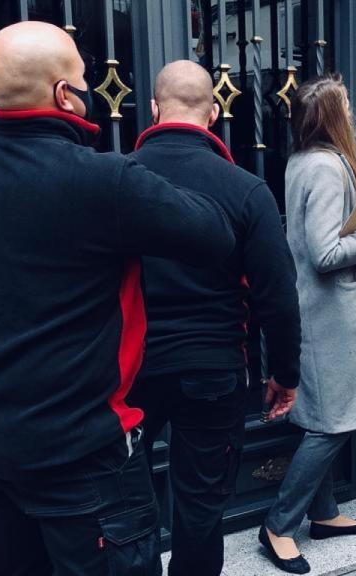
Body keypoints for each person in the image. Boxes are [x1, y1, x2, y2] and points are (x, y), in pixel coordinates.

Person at [0, 23, 236, 576]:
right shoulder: (106, 181)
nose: (92, 87)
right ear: (64, 95)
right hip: (85, 460)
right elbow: (215, 233)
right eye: (84, 77)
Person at [124, 60, 301, 576]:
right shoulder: (246, 189)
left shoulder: (114, 180)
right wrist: (285, 374)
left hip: (131, 368)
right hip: (213, 368)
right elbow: (277, 295)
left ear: (153, 109)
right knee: (201, 508)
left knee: (126, 504)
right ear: (216, 111)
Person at [258, 74, 356, 574]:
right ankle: (278, 524)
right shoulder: (323, 167)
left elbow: (342, 202)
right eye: (346, 106)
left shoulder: (309, 160)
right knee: (332, 426)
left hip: (324, 314)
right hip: (330, 317)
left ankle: (322, 515)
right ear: (333, 117)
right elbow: (326, 252)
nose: (354, 113)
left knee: (324, 420)